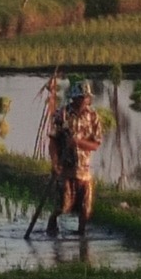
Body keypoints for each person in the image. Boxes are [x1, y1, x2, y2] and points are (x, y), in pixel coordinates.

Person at [44, 79, 104, 237]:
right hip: (66, 168)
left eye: (87, 97)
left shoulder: (93, 117)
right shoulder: (62, 114)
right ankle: (52, 223)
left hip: (84, 170)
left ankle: (81, 234)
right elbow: (53, 141)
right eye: (83, 97)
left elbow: (96, 144)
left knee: (86, 208)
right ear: (75, 98)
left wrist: (78, 142)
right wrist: (55, 162)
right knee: (63, 205)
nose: (86, 100)